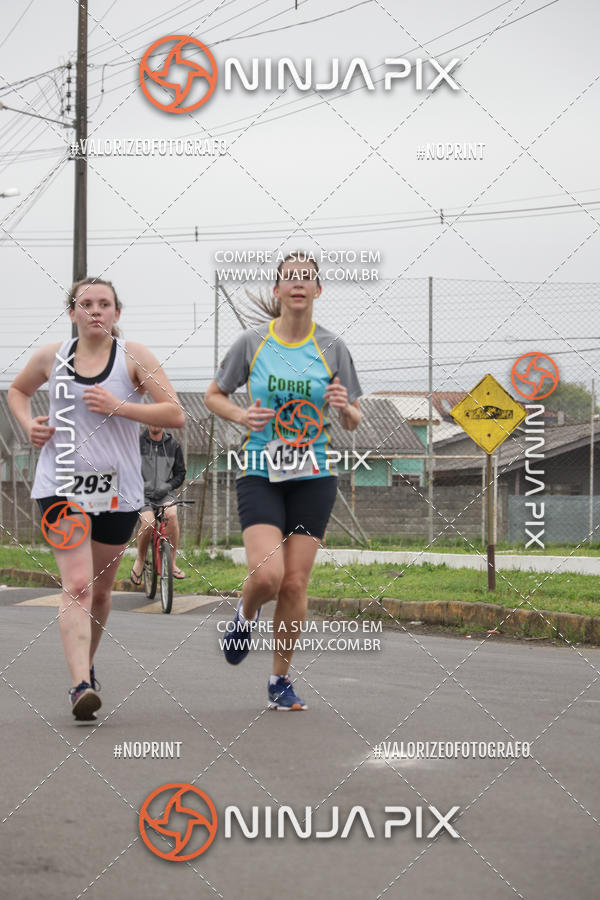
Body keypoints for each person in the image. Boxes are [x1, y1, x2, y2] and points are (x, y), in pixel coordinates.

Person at [8, 277, 185, 720]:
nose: (95, 311)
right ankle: (80, 686)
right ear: (72, 313)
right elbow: (17, 391)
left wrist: (120, 406)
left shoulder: (134, 358)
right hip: (60, 486)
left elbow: (175, 413)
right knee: (78, 585)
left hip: (116, 493)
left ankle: (85, 664)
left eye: (104, 304)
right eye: (85, 304)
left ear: (116, 314)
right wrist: (28, 424)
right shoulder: (52, 357)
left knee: (102, 593)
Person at [205, 250, 362, 710]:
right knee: (268, 575)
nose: (298, 284)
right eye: (289, 278)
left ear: (317, 290)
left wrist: (344, 405)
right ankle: (245, 613)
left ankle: (280, 681)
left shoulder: (333, 347)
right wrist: (240, 414)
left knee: (294, 584)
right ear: (277, 291)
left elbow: (353, 419)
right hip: (260, 472)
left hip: (314, 475)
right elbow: (215, 395)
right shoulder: (251, 343)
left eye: (307, 278)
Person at [131, 425, 187, 583]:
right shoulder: (137, 443)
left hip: (165, 494)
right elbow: (128, 470)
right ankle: (140, 560)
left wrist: (167, 486)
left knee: (172, 514)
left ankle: (172, 562)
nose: (155, 424)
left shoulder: (173, 445)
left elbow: (180, 474)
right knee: (148, 523)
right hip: (142, 495)